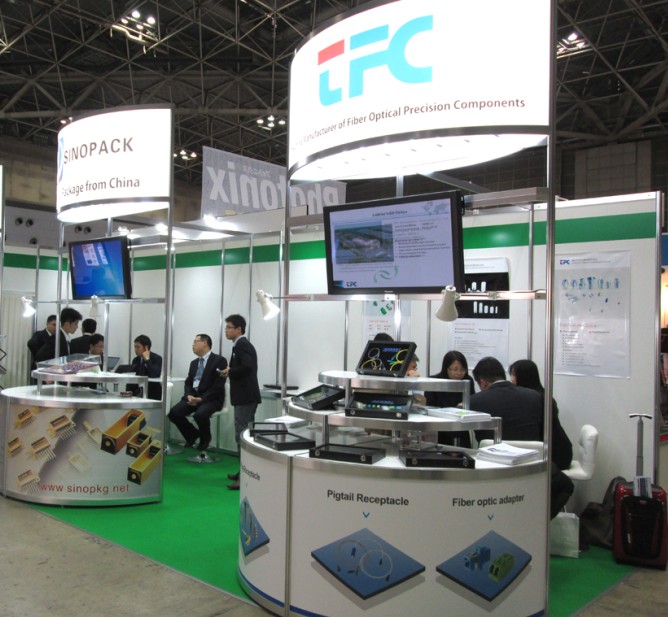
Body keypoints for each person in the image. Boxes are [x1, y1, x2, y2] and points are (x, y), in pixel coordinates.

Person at [508, 359, 573, 470]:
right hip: (558, 450)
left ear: (524, 377)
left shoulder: (534, 400)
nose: (511, 380)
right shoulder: (543, 395)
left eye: (513, 375)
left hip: (555, 455)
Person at [220, 314, 261, 491]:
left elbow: (247, 366)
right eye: (226, 327)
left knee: (242, 436)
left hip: (246, 397)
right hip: (244, 397)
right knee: (243, 434)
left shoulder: (242, 345)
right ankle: (243, 470)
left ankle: (245, 474)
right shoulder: (239, 345)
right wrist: (230, 371)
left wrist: (230, 371)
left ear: (239, 329)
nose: (226, 331)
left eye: (229, 327)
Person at [167, 334, 227, 451]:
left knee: (200, 415)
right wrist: (188, 395)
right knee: (173, 413)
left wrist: (202, 399)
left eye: (196, 341)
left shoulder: (219, 360)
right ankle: (192, 434)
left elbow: (218, 385)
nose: (193, 344)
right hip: (194, 396)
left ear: (205, 343)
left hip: (211, 399)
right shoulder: (194, 363)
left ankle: (205, 438)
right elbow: (188, 382)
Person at [469, 356, 543, 442]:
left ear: (482, 382)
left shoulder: (474, 401)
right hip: (529, 450)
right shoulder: (535, 396)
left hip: (491, 450)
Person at [425, 350, 475, 447]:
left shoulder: (468, 380)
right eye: (455, 369)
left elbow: (472, 401)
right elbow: (429, 407)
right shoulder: (434, 381)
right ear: (446, 368)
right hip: (440, 429)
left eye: (462, 369)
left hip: (461, 428)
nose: (459, 373)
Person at [130, 335, 163, 400]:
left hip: (152, 393)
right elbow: (133, 378)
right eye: (135, 347)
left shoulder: (157, 358)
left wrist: (147, 360)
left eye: (138, 347)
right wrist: (128, 392)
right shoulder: (135, 360)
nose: (135, 350)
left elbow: (155, 375)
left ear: (146, 347)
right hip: (137, 393)